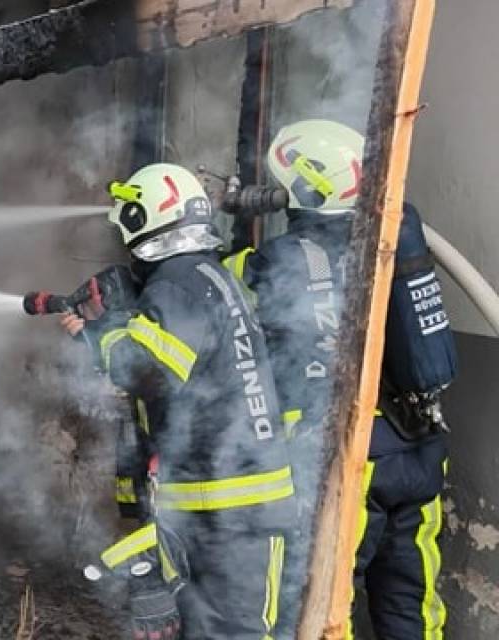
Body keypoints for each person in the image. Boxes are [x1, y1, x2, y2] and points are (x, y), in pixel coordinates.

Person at [224, 119, 454, 639]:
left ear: (303, 188)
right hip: (420, 446)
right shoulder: (396, 233)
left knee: (327, 596)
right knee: (411, 601)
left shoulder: (281, 259)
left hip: (352, 454)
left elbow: (221, 290)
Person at [66, 163, 296, 639]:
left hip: (230, 513)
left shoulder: (177, 285)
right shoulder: (205, 277)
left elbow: (142, 370)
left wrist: (100, 332)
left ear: (143, 219)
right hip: (231, 506)